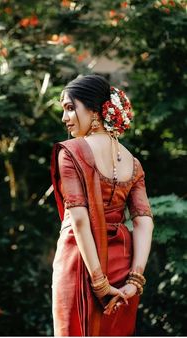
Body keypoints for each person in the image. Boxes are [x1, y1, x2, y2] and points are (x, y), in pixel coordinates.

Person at [50, 74, 154, 336]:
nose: (65, 118)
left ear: (95, 110)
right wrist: (135, 279)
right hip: (122, 262)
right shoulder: (133, 162)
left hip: (80, 261)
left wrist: (99, 282)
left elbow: (80, 219)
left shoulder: (71, 152)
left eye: (71, 108)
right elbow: (144, 221)